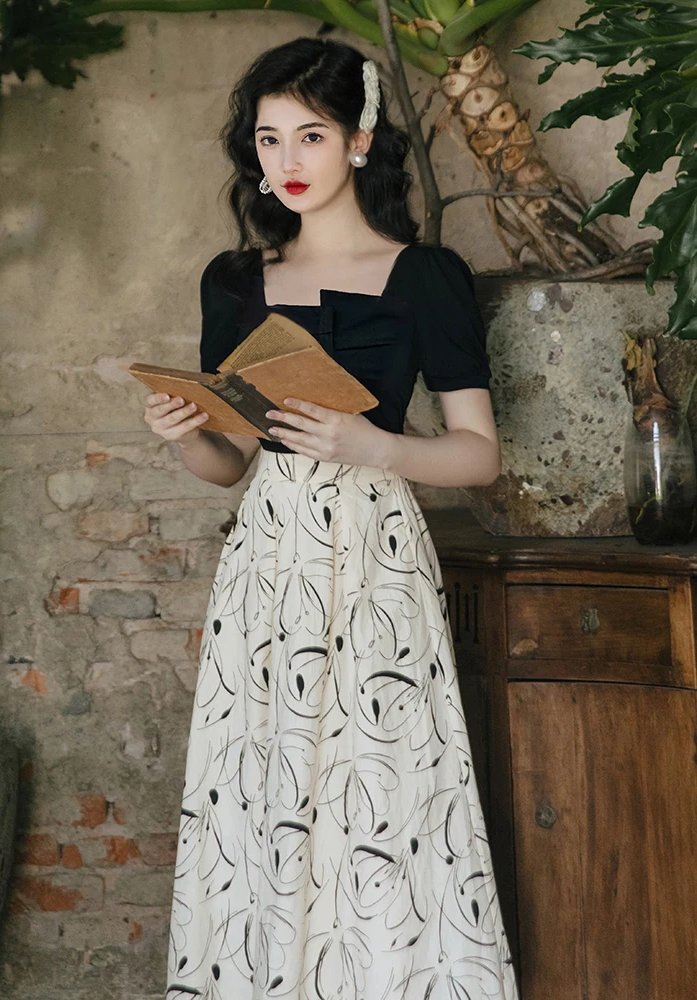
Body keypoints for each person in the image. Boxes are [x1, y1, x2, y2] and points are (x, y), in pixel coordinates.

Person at [145, 35, 518, 1000]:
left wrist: (374, 445)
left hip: (376, 557)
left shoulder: (427, 276)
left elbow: (478, 454)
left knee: (382, 791)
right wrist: (186, 434)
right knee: (259, 791)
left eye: (310, 135)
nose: (287, 161)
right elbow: (228, 465)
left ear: (358, 140)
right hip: (267, 564)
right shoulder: (234, 282)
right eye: (268, 139)